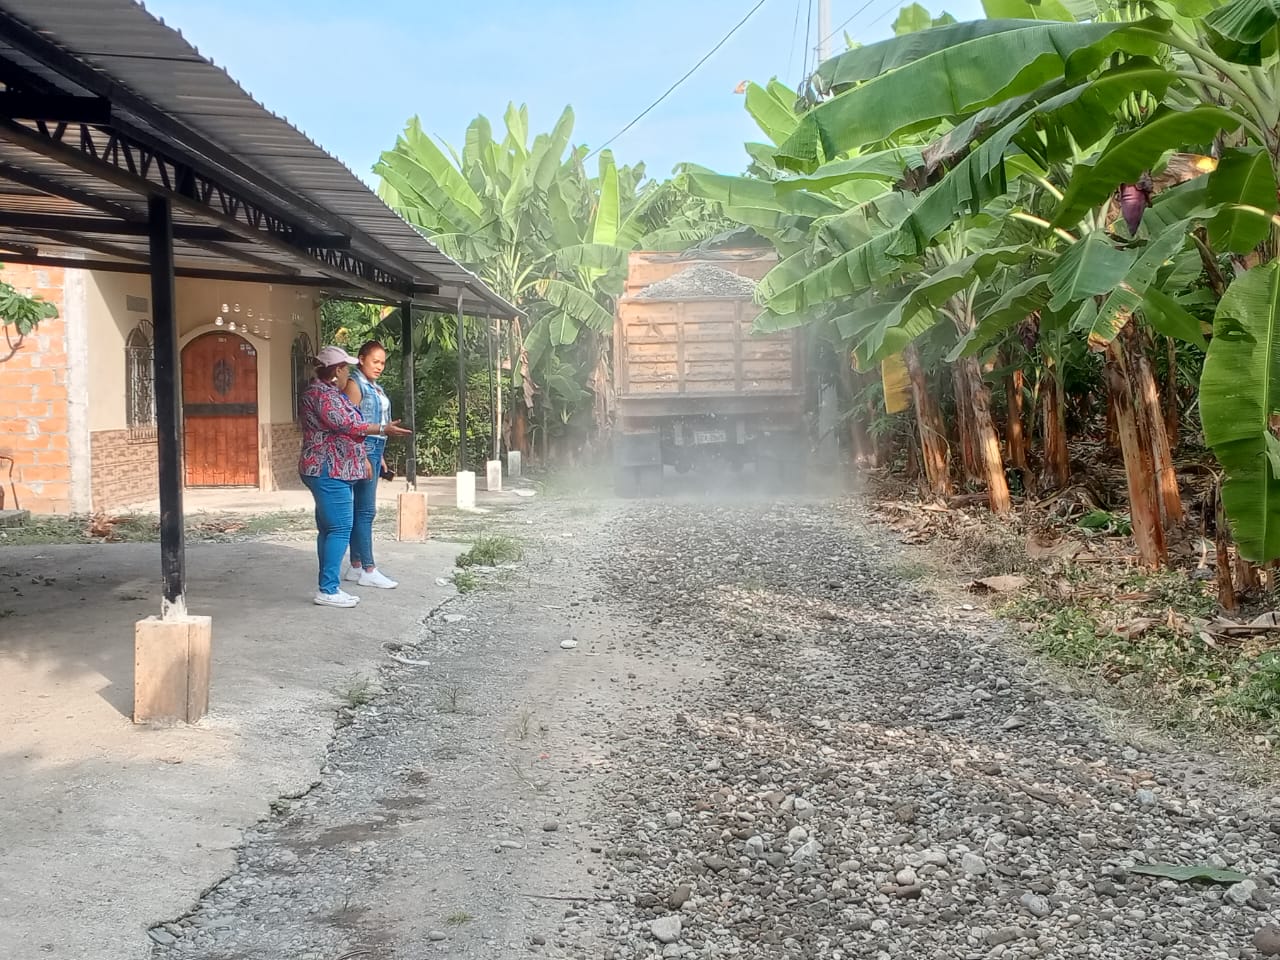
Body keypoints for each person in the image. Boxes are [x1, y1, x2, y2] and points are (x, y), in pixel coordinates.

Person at [297, 345, 405, 608]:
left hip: (330, 467)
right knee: (340, 527)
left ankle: (329, 585)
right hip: (328, 467)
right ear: (337, 370)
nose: (348, 371)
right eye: (345, 367)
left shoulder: (328, 392)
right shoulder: (322, 395)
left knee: (329, 528)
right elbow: (347, 424)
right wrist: (383, 429)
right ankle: (328, 589)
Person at [342, 339, 410, 589]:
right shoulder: (355, 385)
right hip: (363, 449)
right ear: (361, 360)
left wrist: (379, 454)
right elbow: (350, 424)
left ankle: (356, 564)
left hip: (374, 448)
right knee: (366, 511)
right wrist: (362, 454)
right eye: (375, 361)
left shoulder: (375, 386)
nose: (380, 366)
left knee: (360, 509)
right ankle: (368, 569)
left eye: (382, 363)